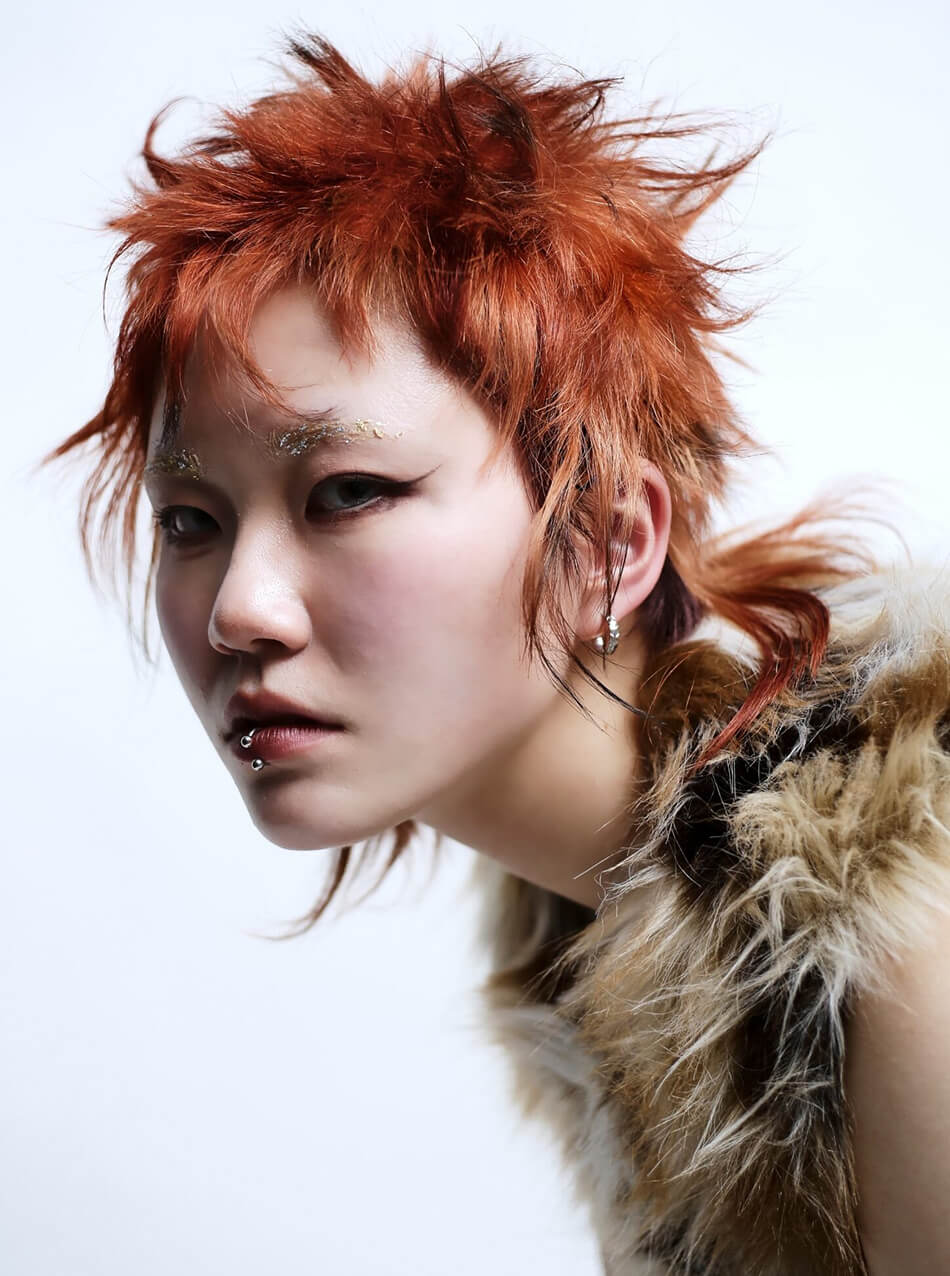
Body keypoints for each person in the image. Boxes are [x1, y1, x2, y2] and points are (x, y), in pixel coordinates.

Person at [40, 33, 950, 1276]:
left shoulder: (906, 914)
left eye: (348, 491)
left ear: (608, 546)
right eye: (189, 520)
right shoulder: (604, 944)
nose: (238, 609)